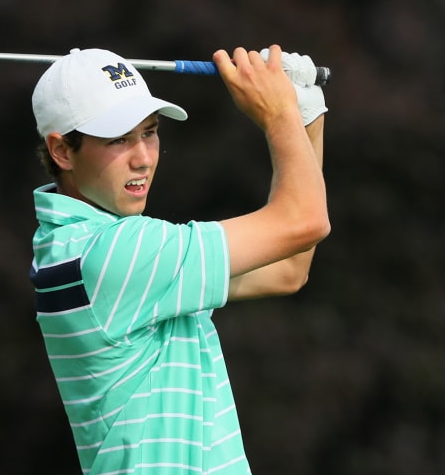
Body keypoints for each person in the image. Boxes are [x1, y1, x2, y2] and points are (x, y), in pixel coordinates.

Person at [28, 45, 328, 474]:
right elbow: (305, 221)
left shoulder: (75, 248)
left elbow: (286, 269)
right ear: (61, 151)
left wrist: (304, 117)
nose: (144, 158)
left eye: (149, 132)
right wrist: (280, 114)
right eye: (118, 139)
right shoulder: (114, 255)